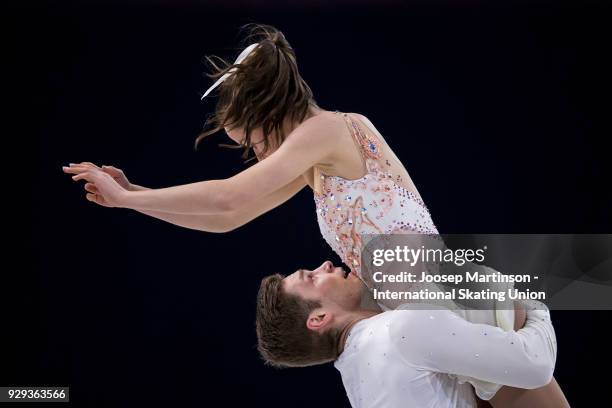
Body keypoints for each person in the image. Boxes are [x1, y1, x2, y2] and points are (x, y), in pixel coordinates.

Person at [62, 23, 568, 406]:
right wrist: (139, 196)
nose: (257, 156)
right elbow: (226, 219)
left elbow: (228, 199)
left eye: (250, 141)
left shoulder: (330, 131)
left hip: (453, 296)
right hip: (426, 310)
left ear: (266, 112)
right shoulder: (313, 163)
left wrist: (131, 200)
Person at [255, 260, 570, 407]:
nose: (324, 264)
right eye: (311, 277)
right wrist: (535, 308)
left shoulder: (357, 381)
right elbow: (536, 365)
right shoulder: (401, 329)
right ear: (319, 318)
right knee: (500, 307)